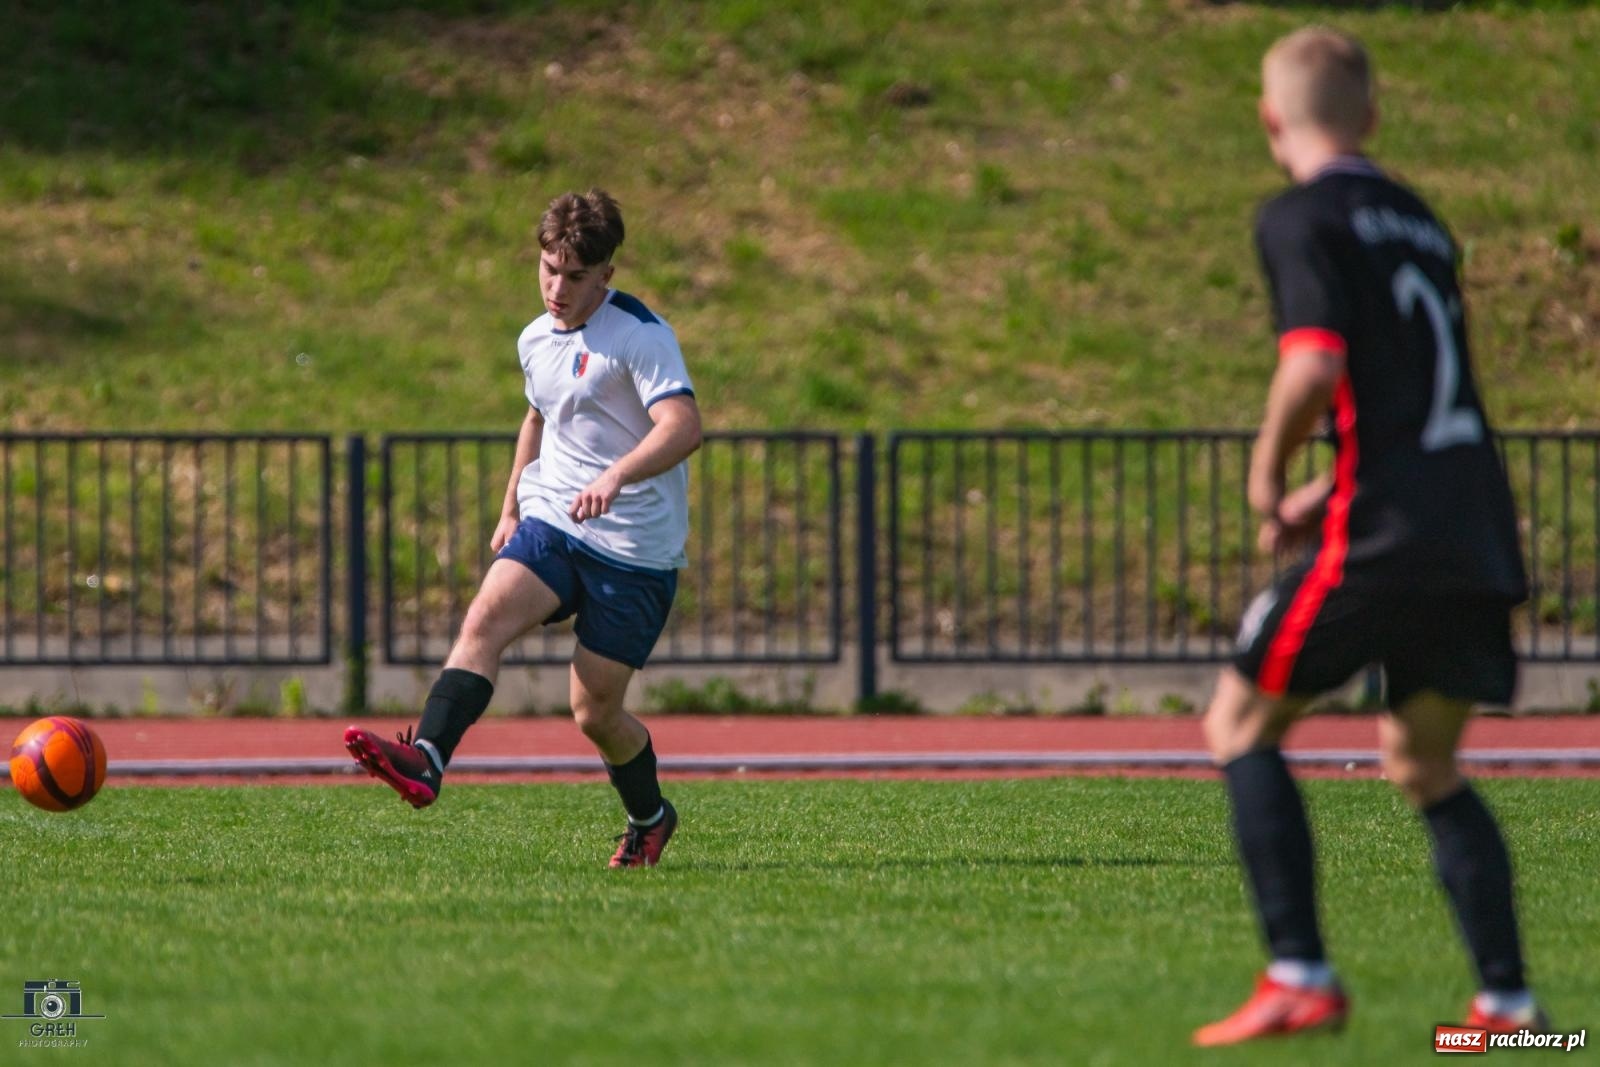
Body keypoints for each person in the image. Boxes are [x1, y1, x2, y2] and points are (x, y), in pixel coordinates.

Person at [1192, 28, 1543, 1046]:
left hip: (1382, 535)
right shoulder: (1421, 221)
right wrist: (1325, 483)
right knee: (1424, 762)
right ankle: (1509, 1012)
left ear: (1268, 121)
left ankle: (1298, 971)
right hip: (1470, 522)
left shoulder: (1302, 214)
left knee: (1238, 723)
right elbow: (1413, 394)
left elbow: (1313, 365)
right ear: (1374, 118)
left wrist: (1266, 475)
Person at [344, 188, 701, 869]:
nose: (556, 288)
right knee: (484, 618)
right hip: (555, 519)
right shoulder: (534, 338)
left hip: (635, 548)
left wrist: (617, 475)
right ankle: (427, 759)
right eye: (547, 268)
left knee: (594, 711)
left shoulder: (641, 336)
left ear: (605, 276)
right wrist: (511, 506)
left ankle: (650, 817)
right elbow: (539, 415)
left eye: (573, 275)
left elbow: (685, 426)